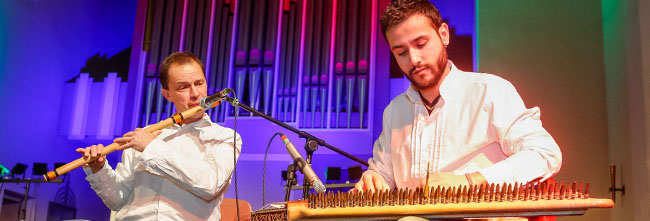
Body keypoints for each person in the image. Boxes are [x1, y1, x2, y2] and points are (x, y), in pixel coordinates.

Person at [354, 0, 562, 192]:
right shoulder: (394, 112)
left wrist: (469, 180)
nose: (414, 59)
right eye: (401, 52)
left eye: (421, 44)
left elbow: (544, 154)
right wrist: (373, 178)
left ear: (444, 34)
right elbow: (382, 174)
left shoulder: (490, 91)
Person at [77, 52, 241, 220]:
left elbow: (210, 185)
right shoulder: (144, 135)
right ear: (167, 94)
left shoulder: (225, 137)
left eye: (199, 83)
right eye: (183, 87)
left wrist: (151, 148)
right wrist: (99, 169)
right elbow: (119, 201)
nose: (195, 94)